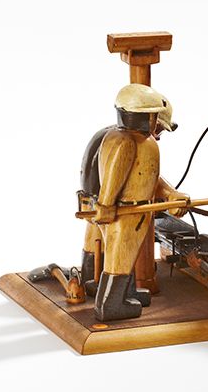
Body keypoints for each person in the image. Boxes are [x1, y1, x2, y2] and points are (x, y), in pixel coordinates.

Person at [80, 83, 188, 321]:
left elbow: (149, 176)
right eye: (157, 122)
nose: (158, 130)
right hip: (127, 212)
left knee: (125, 254)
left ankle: (123, 293)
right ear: (147, 117)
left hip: (128, 210)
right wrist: (106, 206)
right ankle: (111, 304)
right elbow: (114, 176)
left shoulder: (128, 138)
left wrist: (170, 194)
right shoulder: (127, 142)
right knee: (120, 256)